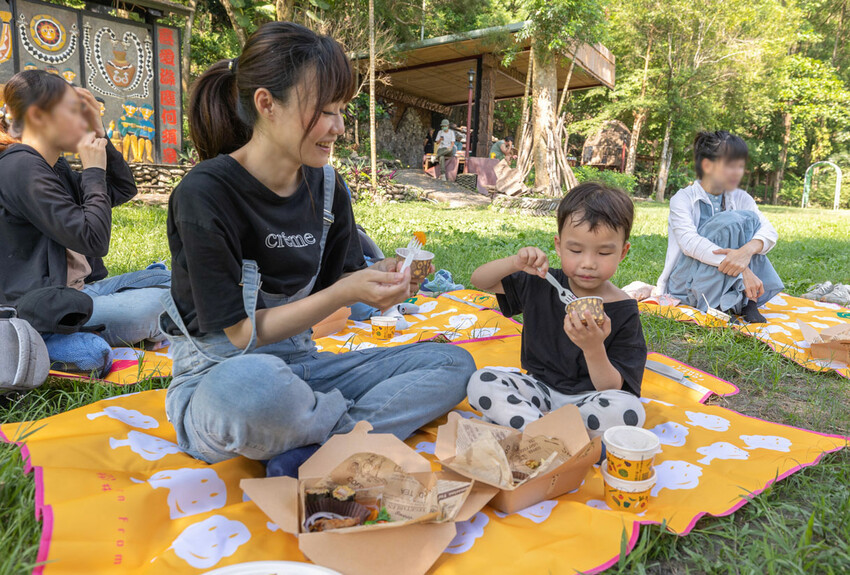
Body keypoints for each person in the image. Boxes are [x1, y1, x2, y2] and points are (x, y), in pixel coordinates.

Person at [163, 22, 475, 474]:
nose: (339, 127)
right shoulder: (205, 193)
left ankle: (311, 447)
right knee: (251, 391)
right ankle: (347, 435)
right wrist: (345, 293)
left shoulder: (328, 187)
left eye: (341, 110)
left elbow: (344, 281)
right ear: (266, 104)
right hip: (221, 376)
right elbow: (240, 335)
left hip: (305, 368)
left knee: (452, 362)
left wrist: (384, 278)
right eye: (326, 111)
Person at [0, 70, 170, 374]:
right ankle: (46, 344)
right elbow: (93, 239)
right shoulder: (20, 167)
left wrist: (100, 134)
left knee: (176, 280)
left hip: (77, 293)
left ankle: (113, 333)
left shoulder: (53, 166)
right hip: (43, 310)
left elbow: (122, 189)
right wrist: (93, 171)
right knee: (167, 300)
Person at [467, 183, 646, 436]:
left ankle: (534, 430)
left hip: (589, 400)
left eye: (604, 252)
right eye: (576, 250)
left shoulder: (624, 310)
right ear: (559, 246)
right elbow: (479, 280)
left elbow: (612, 388)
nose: (588, 263)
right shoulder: (542, 282)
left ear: (623, 252)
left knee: (630, 410)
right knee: (481, 381)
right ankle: (554, 433)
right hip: (537, 390)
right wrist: (515, 263)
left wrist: (593, 348)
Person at [657, 131, 783, 323]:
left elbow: (769, 231)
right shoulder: (682, 199)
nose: (737, 172)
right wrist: (741, 267)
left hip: (730, 274)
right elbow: (690, 244)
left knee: (749, 221)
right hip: (689, 283)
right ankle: (715, 305)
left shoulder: (741, 197)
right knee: (729, 222)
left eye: (740, 165)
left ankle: (749, 302)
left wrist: (746, 252)